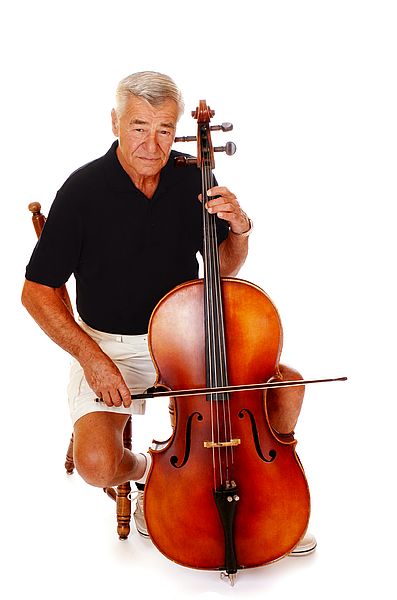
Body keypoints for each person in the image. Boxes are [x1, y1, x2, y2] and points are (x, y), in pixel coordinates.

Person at [21, 71, 315, 556]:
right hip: (110, 344)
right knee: (96, 463)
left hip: (189, 339)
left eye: (163, 129)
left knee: (287, 386)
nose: (152, 143)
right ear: (115, 122)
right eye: (139, 127)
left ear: (177, 129)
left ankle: (271, 493)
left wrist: (240, 228)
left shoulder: (192, 176)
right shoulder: (81, 191)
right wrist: (93, 359)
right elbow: (36, 292)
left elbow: (221, 270)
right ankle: (149, 476)